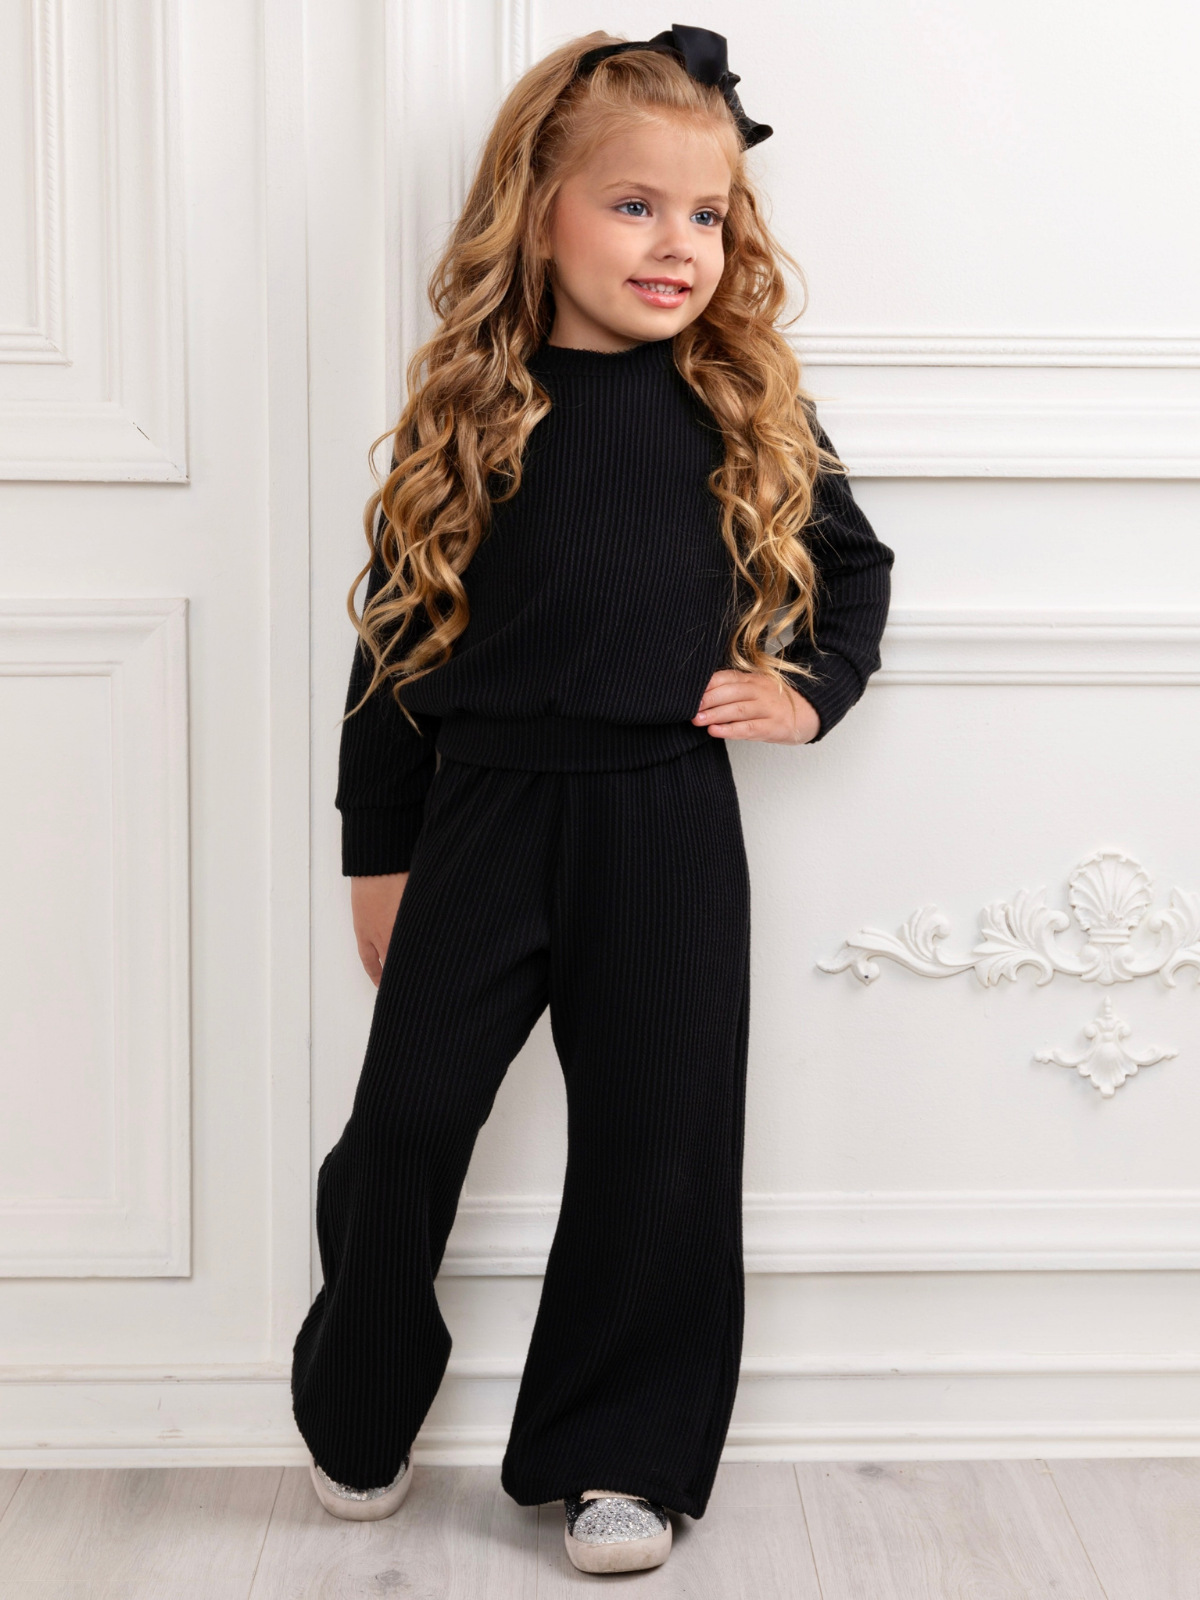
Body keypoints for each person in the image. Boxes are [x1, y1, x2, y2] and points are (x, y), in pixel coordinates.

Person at [290, 23, 893, 1575]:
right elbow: (391, 646)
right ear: (537, 210)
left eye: (707, 215)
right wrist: (377, 855)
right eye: (635, 206)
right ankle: (360, 1399)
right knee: (407, 1123)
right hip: (483, 818)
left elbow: (854, 574)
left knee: (659, 1145)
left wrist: (809, 691)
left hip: (665, 819)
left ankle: (620, 1453)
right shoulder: (469, 414)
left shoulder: (747, 407)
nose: (678, 245)